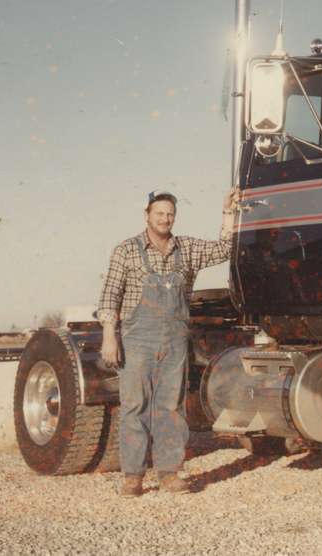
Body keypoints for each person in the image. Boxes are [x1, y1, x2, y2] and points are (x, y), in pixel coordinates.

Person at [98, 187, 241, 497]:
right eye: (159, 213)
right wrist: (110, 336)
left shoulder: (186, 249)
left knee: (171, 408)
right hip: (137, 340)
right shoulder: (126, 250)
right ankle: (133, 477)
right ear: (147, 215)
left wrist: (228, 214)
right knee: (135, 406)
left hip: (175, 340)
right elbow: (110, 295)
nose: (165, 219)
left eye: (170, 214)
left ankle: (169, 474)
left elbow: (224, 249)